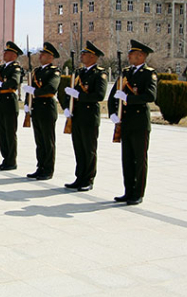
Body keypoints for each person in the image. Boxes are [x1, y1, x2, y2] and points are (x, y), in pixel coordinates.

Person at [108, 39, 158, 205]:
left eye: (133, 54)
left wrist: (128, 98)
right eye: (129, 53)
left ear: (141, 56)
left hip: (139, 122)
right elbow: (113, 95)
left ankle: (138, 193)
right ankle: (128, 191)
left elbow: (150, 96)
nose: (129, 56)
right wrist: (113, 114)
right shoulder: (126, 72)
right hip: (126, 122)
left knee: (139, 159)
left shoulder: (148, 74)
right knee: (127, 159)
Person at [62, 41, 108, 191]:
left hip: (89, 116)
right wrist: (68, 106)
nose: (82, 56)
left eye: (85, 54)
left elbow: (99, 95)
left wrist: (79, 96)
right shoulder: (80, 73)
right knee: (79, 148)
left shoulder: (99, 74)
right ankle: (79, 177)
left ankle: (88, 179)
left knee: (89, 149)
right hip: (77, 115)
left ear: (93, 57)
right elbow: (72, 92)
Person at [23, 42, 60, 180]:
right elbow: (30, 89)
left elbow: (51, 88)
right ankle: (40, 166)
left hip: (47, 108)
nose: (40, 55)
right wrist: (27, 103)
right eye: (41, 53)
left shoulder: (54, 71)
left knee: (47, 140)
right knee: (39, 141)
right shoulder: (36, 71)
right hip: (36, 108)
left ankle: (48, 169)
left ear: (50, 57)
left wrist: (35, 92)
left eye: (43, 54)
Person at [0, 41, 24, 171]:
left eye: (7, 52)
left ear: (14, 55)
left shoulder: (15, 68)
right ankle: (5, 158)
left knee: (10, 133)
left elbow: (14, 82)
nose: (4, 54)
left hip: (9, 101)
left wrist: (1, 85)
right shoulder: (2, 68)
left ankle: (11, 161)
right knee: (2, 133)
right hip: (0, 102)